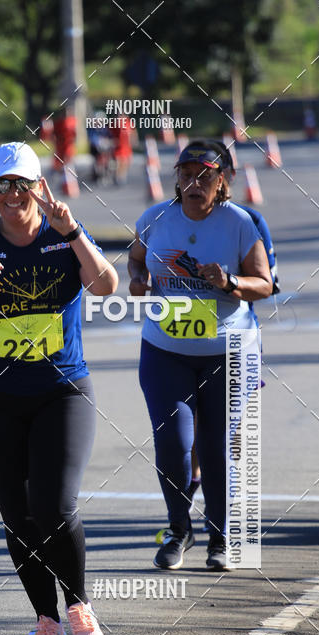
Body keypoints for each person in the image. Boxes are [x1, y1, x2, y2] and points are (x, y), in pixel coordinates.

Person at [0, 141, 118, 635]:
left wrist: (74, 232)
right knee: (17, 515)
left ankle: (78, 605)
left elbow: (107, 287)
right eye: (2, 185)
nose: (11, 195)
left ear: (39, 188)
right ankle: (46, 622)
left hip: (62, 390)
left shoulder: (64, 239)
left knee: (54, 506)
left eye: (21, 185)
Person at [128, 140, 272, 571]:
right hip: (165, 350)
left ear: (222, 181)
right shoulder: (155, 218)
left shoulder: (240, 223)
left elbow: (264, 284)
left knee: (215, 447)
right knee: (173, 444)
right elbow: (136, 261)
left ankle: (222, 538)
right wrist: (136, 280)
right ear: (176, 178)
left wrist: (229, 282)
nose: (194, 182)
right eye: (186, 174)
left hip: (228, 349)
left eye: (204, 174)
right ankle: (178, 530)